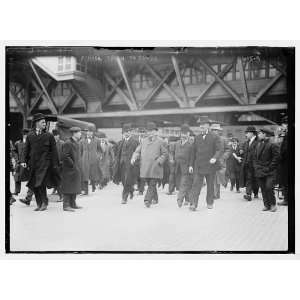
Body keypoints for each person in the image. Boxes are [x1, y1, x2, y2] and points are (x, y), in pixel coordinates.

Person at [21, 113, 60, 211]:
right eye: (42, 122)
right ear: (36, 123)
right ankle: (39, 204)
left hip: (45, 164)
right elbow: (26, 149)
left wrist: (55, 164)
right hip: (33, 164)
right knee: (34, 184)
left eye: (45, 122)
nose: (44, 123)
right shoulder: (30, 135)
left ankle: (44, 203)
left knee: (41, 183)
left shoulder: (49, 135)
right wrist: (23, 161)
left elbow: (54, 151)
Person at [131, 121, 168, 208]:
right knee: (150, 182)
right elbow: (137, 151)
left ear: (156, 132)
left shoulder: (161, 141)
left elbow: (165, 154)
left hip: (155, 167)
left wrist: (159, 161)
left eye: (152, 131)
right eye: (149, 131)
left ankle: (147, 199)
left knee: (152, 184)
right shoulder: (143, 141)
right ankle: (155, 198)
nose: (150, 133)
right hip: (145, 167)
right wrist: (134, 157)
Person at [188, 116, 222, 211]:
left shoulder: (215, 137)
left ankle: (210, 202)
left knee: (210, 186)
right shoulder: (197, 137)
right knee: (196, 185)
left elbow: (219, 150)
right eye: (200, 124)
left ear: (208, 126)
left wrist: (215, 158)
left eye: (203, 124)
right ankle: (193, 204)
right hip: (199, 166)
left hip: (210, 166)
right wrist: (191, 165)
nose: (201, 126)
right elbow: (193, 153)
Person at [253, 128, 280, 212]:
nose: (258, 135)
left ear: (265, 134)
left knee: (269, 187)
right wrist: (256, 166)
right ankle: (266, 205)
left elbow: (277, 158)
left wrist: (269, 167)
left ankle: (273, 205)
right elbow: (254, 157)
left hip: (270, 171)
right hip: (260, 170)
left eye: (260, 133)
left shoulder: (272, 144)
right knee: (263, 188)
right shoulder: (258, 144)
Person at [113, 123, 140, 204]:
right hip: (121, 164)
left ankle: (124, 197)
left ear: (131, 132)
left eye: (128, 131)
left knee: (127, 180)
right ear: (123, 133)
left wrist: (135, 161)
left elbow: (138, 153)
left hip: (131, 165)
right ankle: (131, 190)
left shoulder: (135, 142)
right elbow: (117, 153)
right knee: (124, 181)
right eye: (125, 131)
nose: (126, 133)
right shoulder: (120, 142)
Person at [170, 124, 194, 207]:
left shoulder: (191, 144)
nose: (183, 135)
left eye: (185, 133)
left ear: (188, 134)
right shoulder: (176, 143)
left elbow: (192, 157)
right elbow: (172, 153)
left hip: (186, 167)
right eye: (182, 133)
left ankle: (179, 199)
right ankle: (187, 199)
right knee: (182, 184)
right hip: (177, 167)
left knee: (183, 183)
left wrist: (191, 166)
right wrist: (172, 159)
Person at [61, 127, 82, 212]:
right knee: (68, 187)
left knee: (74, 186)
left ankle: (73, 203)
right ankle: (66, 205)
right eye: (79, 132)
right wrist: (73, 165)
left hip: (75, 168)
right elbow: (65, 156)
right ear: (74, 133)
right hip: (69, 169)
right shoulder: (68, 143)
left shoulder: (76, 142)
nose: (80, 134)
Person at [12, 128, 35, 206]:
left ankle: (29, 197)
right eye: (24, 134)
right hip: (20, 163)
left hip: (28, 164)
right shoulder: (18, 143)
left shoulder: (32, 143)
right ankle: (17, 190)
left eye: (27, 134)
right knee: (16, 176)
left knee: (32, 180)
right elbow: (14, 151)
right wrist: (17, 159)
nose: (25, 136)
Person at [210, 123, 230, 200]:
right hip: (211, 162)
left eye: (216, 130)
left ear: (219, 131)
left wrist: (223, 158)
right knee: (213, 178)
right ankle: (215, 194)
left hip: (220, 161)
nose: (215, 131)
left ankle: (217, 192)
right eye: (213, 130)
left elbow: (228, 150)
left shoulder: (224, 139)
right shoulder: (209, 140)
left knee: (219, 178)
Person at [79, 125, 101, 195]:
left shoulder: (97, 140)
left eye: (90, 132)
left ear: (93, 132)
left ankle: (94, 185)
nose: (89, 133)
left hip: (94, 159)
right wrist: (81, 159)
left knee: (93, 174)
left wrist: (98, 156)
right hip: (85, 160)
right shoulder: (82, 140)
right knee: (85, 175)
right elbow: (80, 151)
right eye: (87, 131)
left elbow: (100, 150)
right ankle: (86, 191)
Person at [240, 126, 259, 201]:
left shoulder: (258, 142)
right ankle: (248, 194)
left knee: (255, 179)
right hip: (247, 164)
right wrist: (241, 151)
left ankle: (256, 192)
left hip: (255, 165)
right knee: (249, 178)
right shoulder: (246, 142)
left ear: (252, 133)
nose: (246, 134)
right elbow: (244, 151)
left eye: (247, 133)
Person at [278, 116, 288, 206]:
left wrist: (280, 157)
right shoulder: (286, 134)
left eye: (283, 125)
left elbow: (285, 149)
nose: (282, 127)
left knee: (285, 180)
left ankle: (286, 200)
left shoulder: (287, 135)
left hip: (286, 162)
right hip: (285, 162)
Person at [52, 129, 64, 201]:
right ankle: (60, 194)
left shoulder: (62, 143)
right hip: (54, 165)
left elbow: (65, 154)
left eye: (57, 135)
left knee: (60, 180)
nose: (56, 137)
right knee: (57, 180)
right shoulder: (51, 144)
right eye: (55, 136)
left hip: (61, 164)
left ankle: (62, 196)